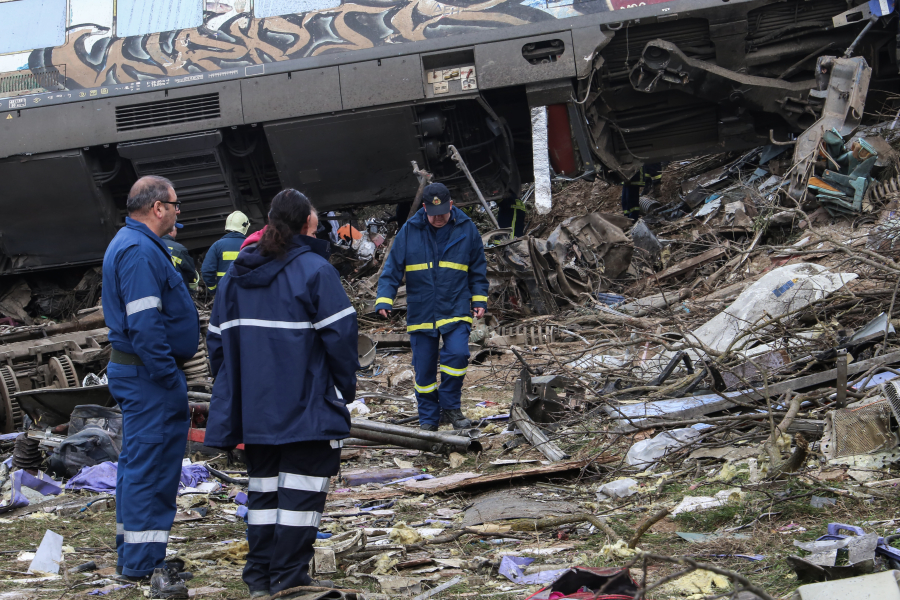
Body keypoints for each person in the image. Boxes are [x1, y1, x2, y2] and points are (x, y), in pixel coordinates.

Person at [204, 189, 359, 597]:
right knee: (301, 497)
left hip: (253, 411)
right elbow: (342, 338)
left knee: (264, 492)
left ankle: (259, 578)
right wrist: (345, 389)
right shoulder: (315, 270)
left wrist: (238, 393)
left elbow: (216, 343)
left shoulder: (236, 274)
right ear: (308, 223)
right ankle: (288, 580)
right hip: (305, 407)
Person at [101, 175, 199, 599]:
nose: (179, 212)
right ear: (158, 207)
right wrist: (166, 375)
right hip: (149, 376)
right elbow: (144, 324)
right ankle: (141, 563)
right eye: (176, 205)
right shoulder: (139, 250)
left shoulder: (134, 244)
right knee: (151, 467)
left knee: (139, 464)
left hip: (143, 373)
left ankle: (137, 552)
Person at [375, 182, 488, 431]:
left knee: (457, 356)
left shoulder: (467, 229)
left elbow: (478, 269)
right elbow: (392, 267)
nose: (439, 219)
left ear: (451, 206)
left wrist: (479, 298)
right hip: (422, 310)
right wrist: (384, 298)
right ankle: (428, 417)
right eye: (433, 214)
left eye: (444, 213)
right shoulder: (410, 230)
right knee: (424, 370)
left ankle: (450, 408)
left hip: (456, 305)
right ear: (424, 207)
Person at [201, 211, 249, 294]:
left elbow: (206, 271)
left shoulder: (217, 246)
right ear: (244, 227)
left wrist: (214, 289)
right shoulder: (250, 245)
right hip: (245, 293)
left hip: (224, 292)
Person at [162, 223, 199, 292]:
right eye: (176, 230)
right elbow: (190, 271)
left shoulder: (152, 245)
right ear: (170, 232)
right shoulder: (180, 249)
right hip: (178, 290)